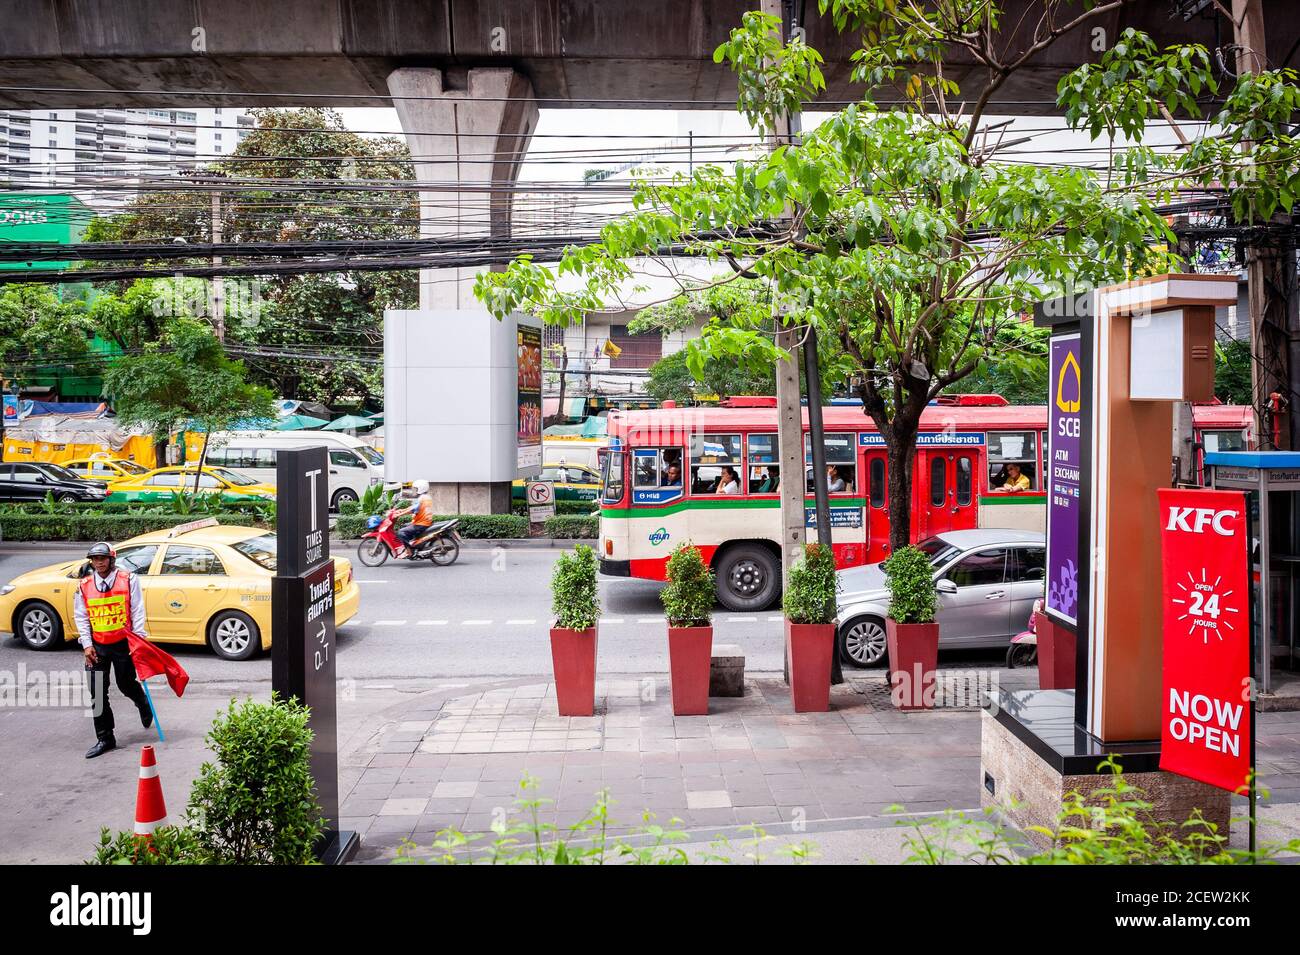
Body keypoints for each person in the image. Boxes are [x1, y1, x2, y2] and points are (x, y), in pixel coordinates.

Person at [74, 542, 152, 759]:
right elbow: (81, 616)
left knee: (126, 684)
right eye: (95, 559)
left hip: (123, 643)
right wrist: (87, 645)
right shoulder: (84, 585)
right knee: (97, 693)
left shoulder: (129, 580)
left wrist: (138, 640)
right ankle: (105, 738)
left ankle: (142, 702)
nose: (98, 563)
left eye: (102, 558)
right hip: (97, 646)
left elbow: (137, 609)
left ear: (111, 559)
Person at [395, 480, 435, 557]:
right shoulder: (426, 497)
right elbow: (413, 507)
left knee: (400, 532)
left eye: (416, 489)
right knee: (404, 526)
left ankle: (409, 551)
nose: (414, 491)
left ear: (421, 489)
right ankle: (413, 545)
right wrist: (401, 511)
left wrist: (400, 514)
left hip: (421, 524)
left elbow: (413, 510)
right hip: (424, 522)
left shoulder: (421, 499)